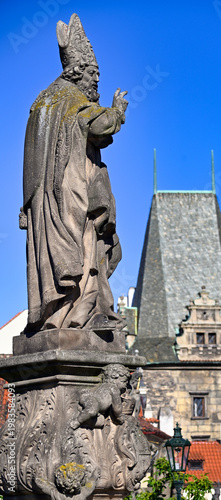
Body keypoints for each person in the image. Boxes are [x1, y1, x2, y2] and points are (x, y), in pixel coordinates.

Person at [20, 13, 128, 333]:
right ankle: (80, 313)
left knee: (50, 259)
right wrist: (117, 112)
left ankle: (55, 316)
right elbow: (99, 125)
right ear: (79, 72)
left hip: (41, 199)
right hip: (68, 191)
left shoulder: (43, 101)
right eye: (94, 75)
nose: (96, 82)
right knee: (84, 251)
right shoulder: (72, 99)